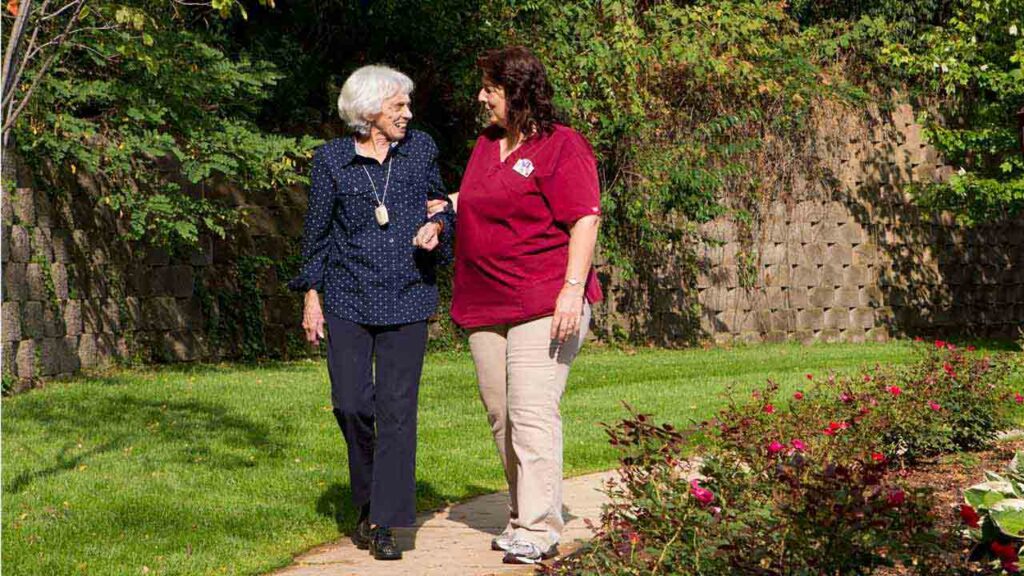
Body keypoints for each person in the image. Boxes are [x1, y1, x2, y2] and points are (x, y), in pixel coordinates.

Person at [437, 46, 602, 565]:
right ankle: (521, 513)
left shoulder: (562, 146)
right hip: (486, 302)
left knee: (532, 413)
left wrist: (571, 289)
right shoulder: (487, 145)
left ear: (517, 90)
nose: (481, 96)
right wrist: (444, 208)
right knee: (502, 416)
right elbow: (480, 197)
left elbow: (585, 218)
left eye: (490, 87)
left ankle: (539, 526)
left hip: (545, 301)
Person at [288, 64, 453, 561]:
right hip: (346, 297)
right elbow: (316, 232)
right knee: (352, 404)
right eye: (398, 105)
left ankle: (382, 520)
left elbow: (439, 202)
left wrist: (439, 226)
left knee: (397, 411)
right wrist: (310, 295)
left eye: (407, 104)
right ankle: (366, 498)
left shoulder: (420, 148)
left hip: (407, 294)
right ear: (368, 111)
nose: (408, 112)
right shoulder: (333, 160)